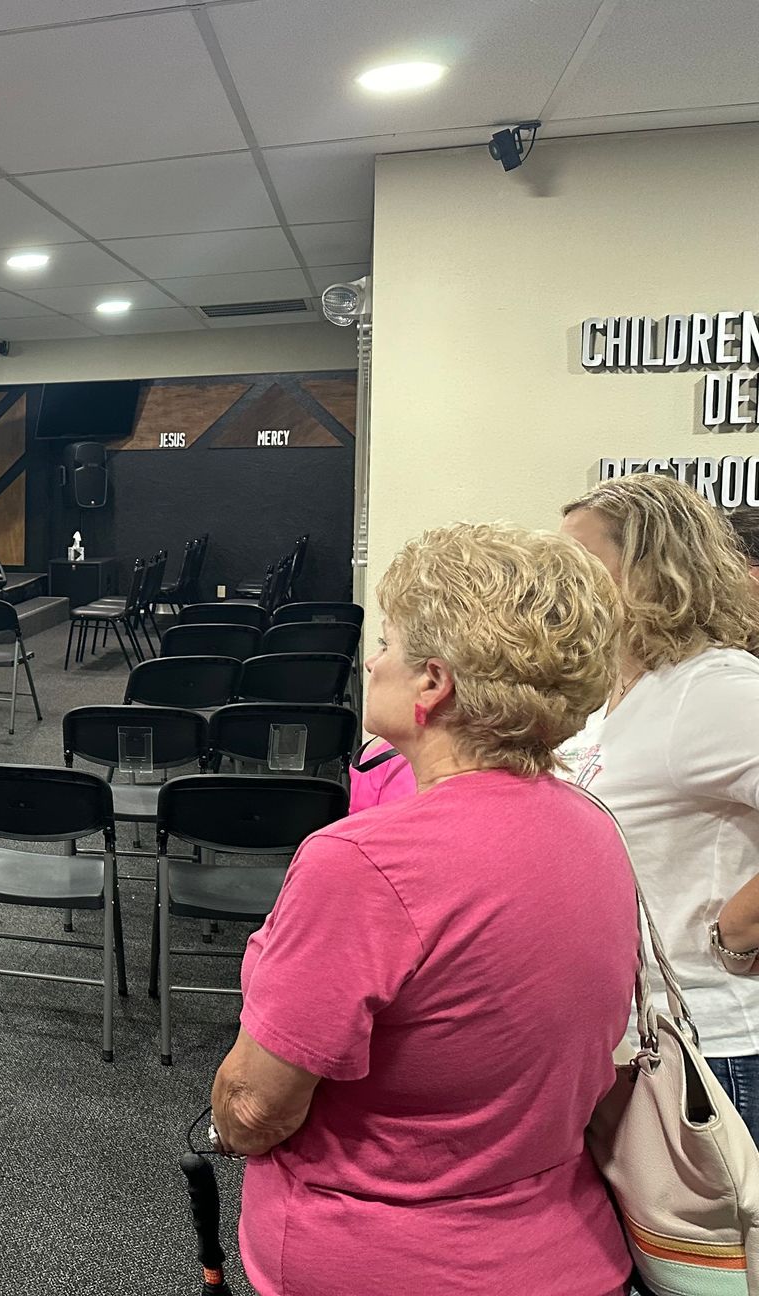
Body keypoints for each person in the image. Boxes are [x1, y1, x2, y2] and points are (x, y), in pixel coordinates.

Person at [210, 523, 637, 1294]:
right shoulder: (595, 828)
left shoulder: (362, 862)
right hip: (566, 1250)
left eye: (391, 642)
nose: (373, 660)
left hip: (384, 1260)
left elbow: (253, 1110)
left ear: (432, 683)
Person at [562, 472, 759, 1138]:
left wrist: (739, 932)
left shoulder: (716, 689)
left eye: (583, 565)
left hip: (716, 1048)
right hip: (642, 1041)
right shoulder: (615, 696)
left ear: (654, 571)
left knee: (715, 1247)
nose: (561, 584)